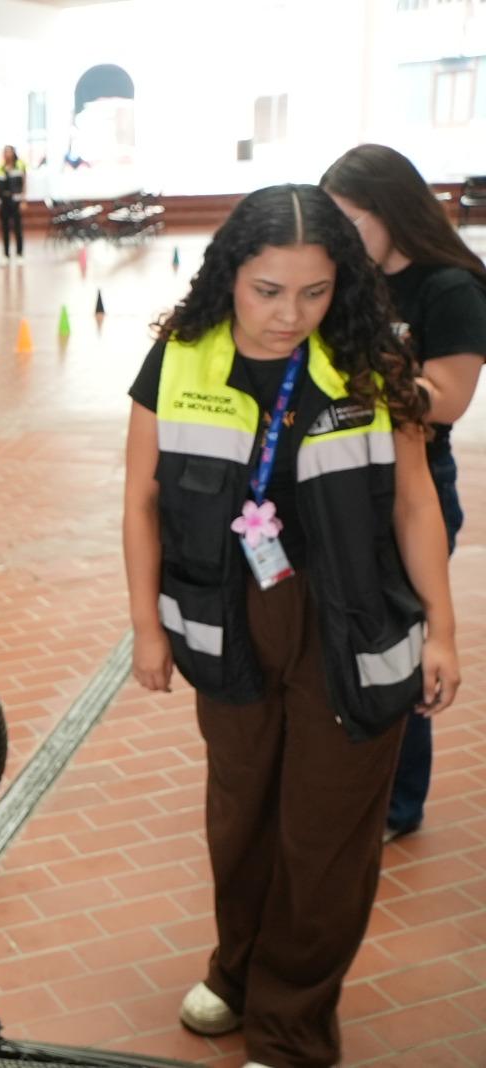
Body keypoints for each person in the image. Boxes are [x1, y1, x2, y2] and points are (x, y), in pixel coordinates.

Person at [122, 184, 458, 1068]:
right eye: (268, 291)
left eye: (313, 293)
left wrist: (447, 633)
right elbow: (140, 500)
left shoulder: (372, 358)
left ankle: (291, 1024)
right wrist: (145, 629)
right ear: (231, 273)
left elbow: (418, 504)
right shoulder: (179, 357)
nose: (291, 315)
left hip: (354, 621)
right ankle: (236, 973)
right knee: (239, 814)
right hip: (226, 617)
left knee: (327, 830)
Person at [322, 143, 486, 843]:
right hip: (345, 478)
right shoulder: (349, 278)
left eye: (349, 222)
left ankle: (399, 803)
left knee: (403, 639)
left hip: (416, 482)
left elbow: (447, 400)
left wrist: (357, 388)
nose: (337, 239)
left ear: (389, 211)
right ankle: (350, 782)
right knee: (348, 634)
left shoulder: (448, 288)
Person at [0, 145, 27, 264]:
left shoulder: (20, 166)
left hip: (16, 201)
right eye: (5, 152)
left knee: (18, 229)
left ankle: (20, 254)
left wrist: (23, 200)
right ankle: (6, 255)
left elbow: (24, 184)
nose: (7, 154)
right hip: (4, 201)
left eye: (9, 152)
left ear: (13, 153)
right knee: (5, 229)